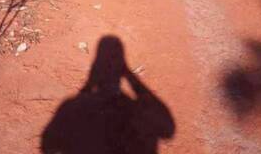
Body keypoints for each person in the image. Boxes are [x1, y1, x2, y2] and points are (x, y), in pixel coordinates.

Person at [41, 36, 175, 154]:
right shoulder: (131, 109)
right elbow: (167, 130)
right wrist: (128, 75)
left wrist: (86, 88)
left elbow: (48, 145)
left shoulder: (70, 107)